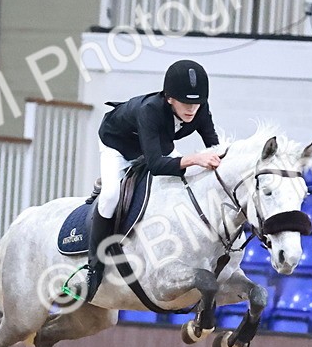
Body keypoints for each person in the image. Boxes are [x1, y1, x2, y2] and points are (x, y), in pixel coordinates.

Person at [85, 59, 223, 301]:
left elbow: (215, 145)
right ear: (169, 98)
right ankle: (94, 268)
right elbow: (155, 165)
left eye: (196, 103)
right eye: (185, 103)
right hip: (117, 146)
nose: (192, 109)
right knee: (110, 197)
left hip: (155, 145)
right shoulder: (150, 110)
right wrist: (195, 159)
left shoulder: (200, 109)